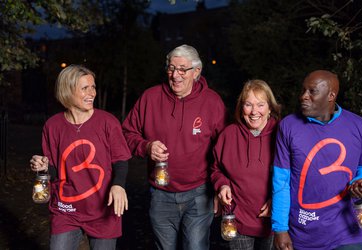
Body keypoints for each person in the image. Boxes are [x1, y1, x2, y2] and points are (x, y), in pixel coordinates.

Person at [122, 44, 227, 250]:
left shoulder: (212, 102)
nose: (175, 75)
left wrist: (219, 187)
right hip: (160, 193)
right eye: (171, 68)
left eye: (182, 69)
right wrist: (146, 146)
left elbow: (224, 151)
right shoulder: (150, 98)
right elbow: (126, 134)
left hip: (199, 193)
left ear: (196, 71)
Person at [271, 70, 362, 250]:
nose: (303, 96)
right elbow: (281, 181)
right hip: (303, 233)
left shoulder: (358, 125)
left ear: (331, 95)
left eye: (312, 91)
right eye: (303, 90)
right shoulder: (288, 126)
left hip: (347, 231)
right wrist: (280, 228)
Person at [29, 65, 131, 250]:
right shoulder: (52, 126)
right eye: (85, 88)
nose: (92, 93)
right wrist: (43, 166)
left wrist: (118, 184)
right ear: (67, 91)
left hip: (102, 210)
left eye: (93, 87)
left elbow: (121, 160)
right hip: (66, 209)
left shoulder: (107, 122)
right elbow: (53, 168)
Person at [211, 79, 281, 249]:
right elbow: (216, 168)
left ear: (270, 108)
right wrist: (222, 185)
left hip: (273, 221)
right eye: (248, 105)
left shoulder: (282, 134)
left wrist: (278, 200)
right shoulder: (229, 134)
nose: (254, 111)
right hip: (238, 219)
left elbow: (295, 173)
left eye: (260, 105)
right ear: (241, 108)